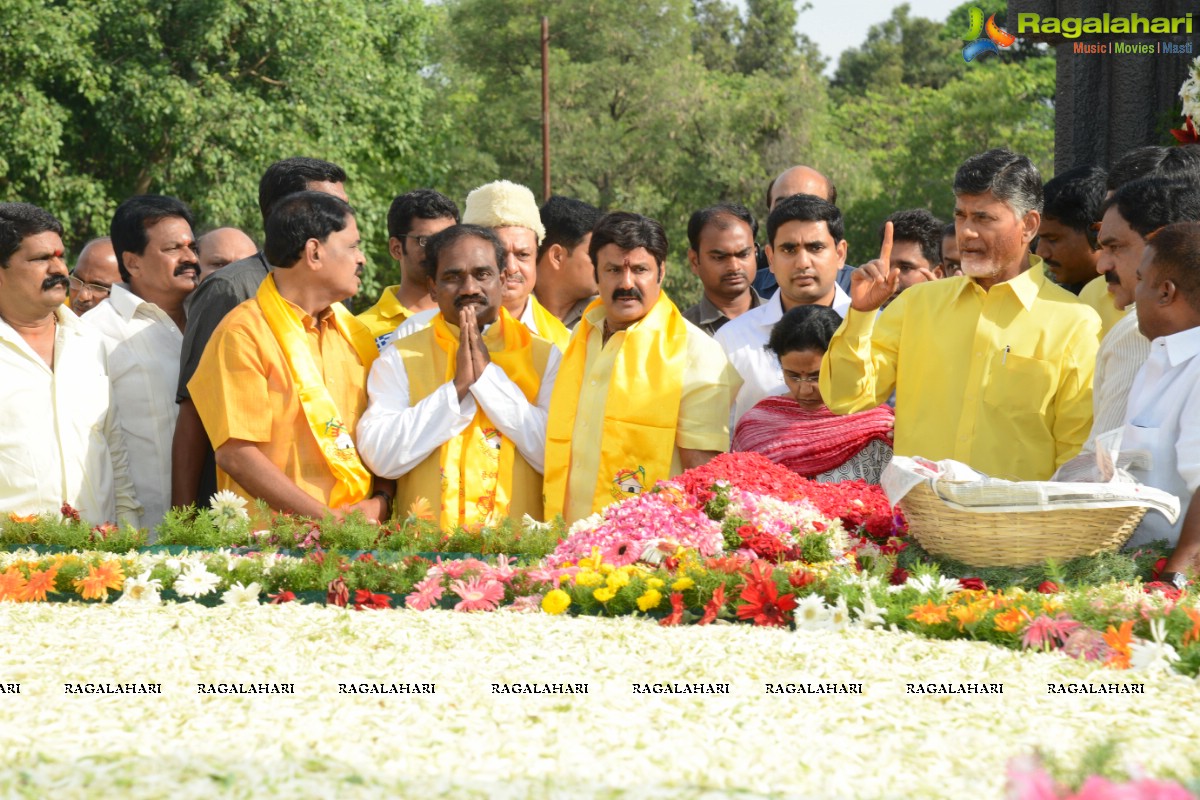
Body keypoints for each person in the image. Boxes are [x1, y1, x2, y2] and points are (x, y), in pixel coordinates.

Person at [820, 148, 1101, 481]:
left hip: (1017, 526)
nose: (967, 232)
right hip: (919, 524)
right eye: (961, 216)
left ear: (1029, 226)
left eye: (983, 218)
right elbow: (845, 397)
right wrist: (861, 315)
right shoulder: (916, 304)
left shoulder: (1074, 322)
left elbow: (1075, 452)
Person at [189, 191, 392, 521]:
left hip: (360, 543)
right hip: (274, 551)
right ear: (314, 252)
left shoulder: (356, 335)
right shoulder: (243, 333)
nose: (362, 259)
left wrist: (382, 498)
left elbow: (383, 432)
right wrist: (328, 521)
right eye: (353, 246)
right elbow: (237, 455)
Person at [173, 156, 348, 511]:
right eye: (330, 208)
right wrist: (183, 522)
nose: (344, 221)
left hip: (330, 512)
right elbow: (194, 407)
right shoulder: (232, 289)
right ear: (287, 215)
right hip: (247, 515)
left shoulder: (334, 301)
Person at [357, 225, 559, 528]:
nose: (469, 289)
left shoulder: (547, 356)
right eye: (453, 277)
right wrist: (456, 389)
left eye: (482, 275)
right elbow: (381, 456)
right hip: (423, 558)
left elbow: (557, 455)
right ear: (433, 287)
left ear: (502, 280)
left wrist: (488, 380)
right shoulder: (400, 356)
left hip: (521, 557)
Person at [544, 212, 740, 524]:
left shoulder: (695, 353)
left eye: (640, 270)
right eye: (613, 270)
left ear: (661, 272)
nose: (626, 283)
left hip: (646, 549)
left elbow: (701, 477)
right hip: (566, 539)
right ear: (596, 274)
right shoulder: (578, 340)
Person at [0, 202, 139, 526]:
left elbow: (114, 451)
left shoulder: (89, 342)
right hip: (11, 566)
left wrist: (127, 533)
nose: (59, 269)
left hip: (95, 560)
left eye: (60, 256)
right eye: (40, 259)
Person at [86, 195, 198, 531]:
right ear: (133, 263)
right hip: (140, 538)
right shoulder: (95, 333)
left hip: (219, 533)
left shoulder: (214, 322)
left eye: (192, 246)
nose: (190, 258)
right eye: (173, 249)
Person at [1081, 178, 1200, 454]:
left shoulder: (1139, 332)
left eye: (1115, 247)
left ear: (1163, 243)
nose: (1101, 265)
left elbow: (1102, 464)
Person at [717, 193, 852, 425]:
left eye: (816, 247)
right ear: (770, 257)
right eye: (789, 250)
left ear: (840, 254)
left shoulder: (877, 331)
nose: (803, 263)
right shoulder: (732, 341)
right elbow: (714, 433)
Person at [733, 305, 893, 483]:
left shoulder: (878, 426)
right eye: (793, 376)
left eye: (816, 376)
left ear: (841, 365)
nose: (804, 390)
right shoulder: (756, 427)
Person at [1123, 223, 1200, 584]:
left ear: (1166, 292)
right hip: (1136, 572)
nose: (1131, 293)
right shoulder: (1160, 362)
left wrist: (1172, 584)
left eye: (1140, 279)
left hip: (1173, 584)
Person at [357, 189, 459, 350]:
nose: (440, 250)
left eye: (449, 239)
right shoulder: (360, 330)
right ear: (396, 248)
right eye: (426, 240)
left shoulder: (473, 317)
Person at [1036, 165, 1122, 336]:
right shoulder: (1053, 299)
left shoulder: (1130, 302)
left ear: (1097, 232)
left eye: (1053, 239)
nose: (1040, 252)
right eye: (1039, 239)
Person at [754, 165, 851, 297]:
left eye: (810, 206)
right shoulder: (748, 293)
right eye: (783, 206)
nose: (795, 215)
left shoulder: (863, 294)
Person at [682, 203, 762, 335]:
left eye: (743, 254)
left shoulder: (783, 318)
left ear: (756, 253)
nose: (734, 267)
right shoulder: (681, 333)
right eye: (719, 257)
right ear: (694, 261)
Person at [534, 195, 602, 330]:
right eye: (594, 255)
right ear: (557, 256)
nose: (604, 264)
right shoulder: (506, 313)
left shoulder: (606, 318)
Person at [879, 209, 944, 309]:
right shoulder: (859, 319)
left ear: (937, 274)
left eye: (905, 268)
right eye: (886, 266)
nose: (890, 277)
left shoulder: (956, 323)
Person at [68, 237, 120, 316]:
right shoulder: (52, 317)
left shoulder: (140, 327)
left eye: (98, 287)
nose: (82, 297)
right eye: (77, 280)